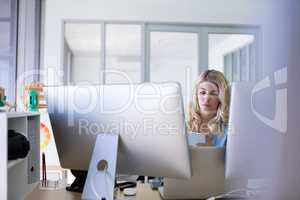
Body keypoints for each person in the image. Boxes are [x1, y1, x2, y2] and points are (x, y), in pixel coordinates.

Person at [187, 69, 230, 147]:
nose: (207, 98)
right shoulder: (184, 125)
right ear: (196, 95)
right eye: (202, 93)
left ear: (222, 98)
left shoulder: (229, 130)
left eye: (214, 94)